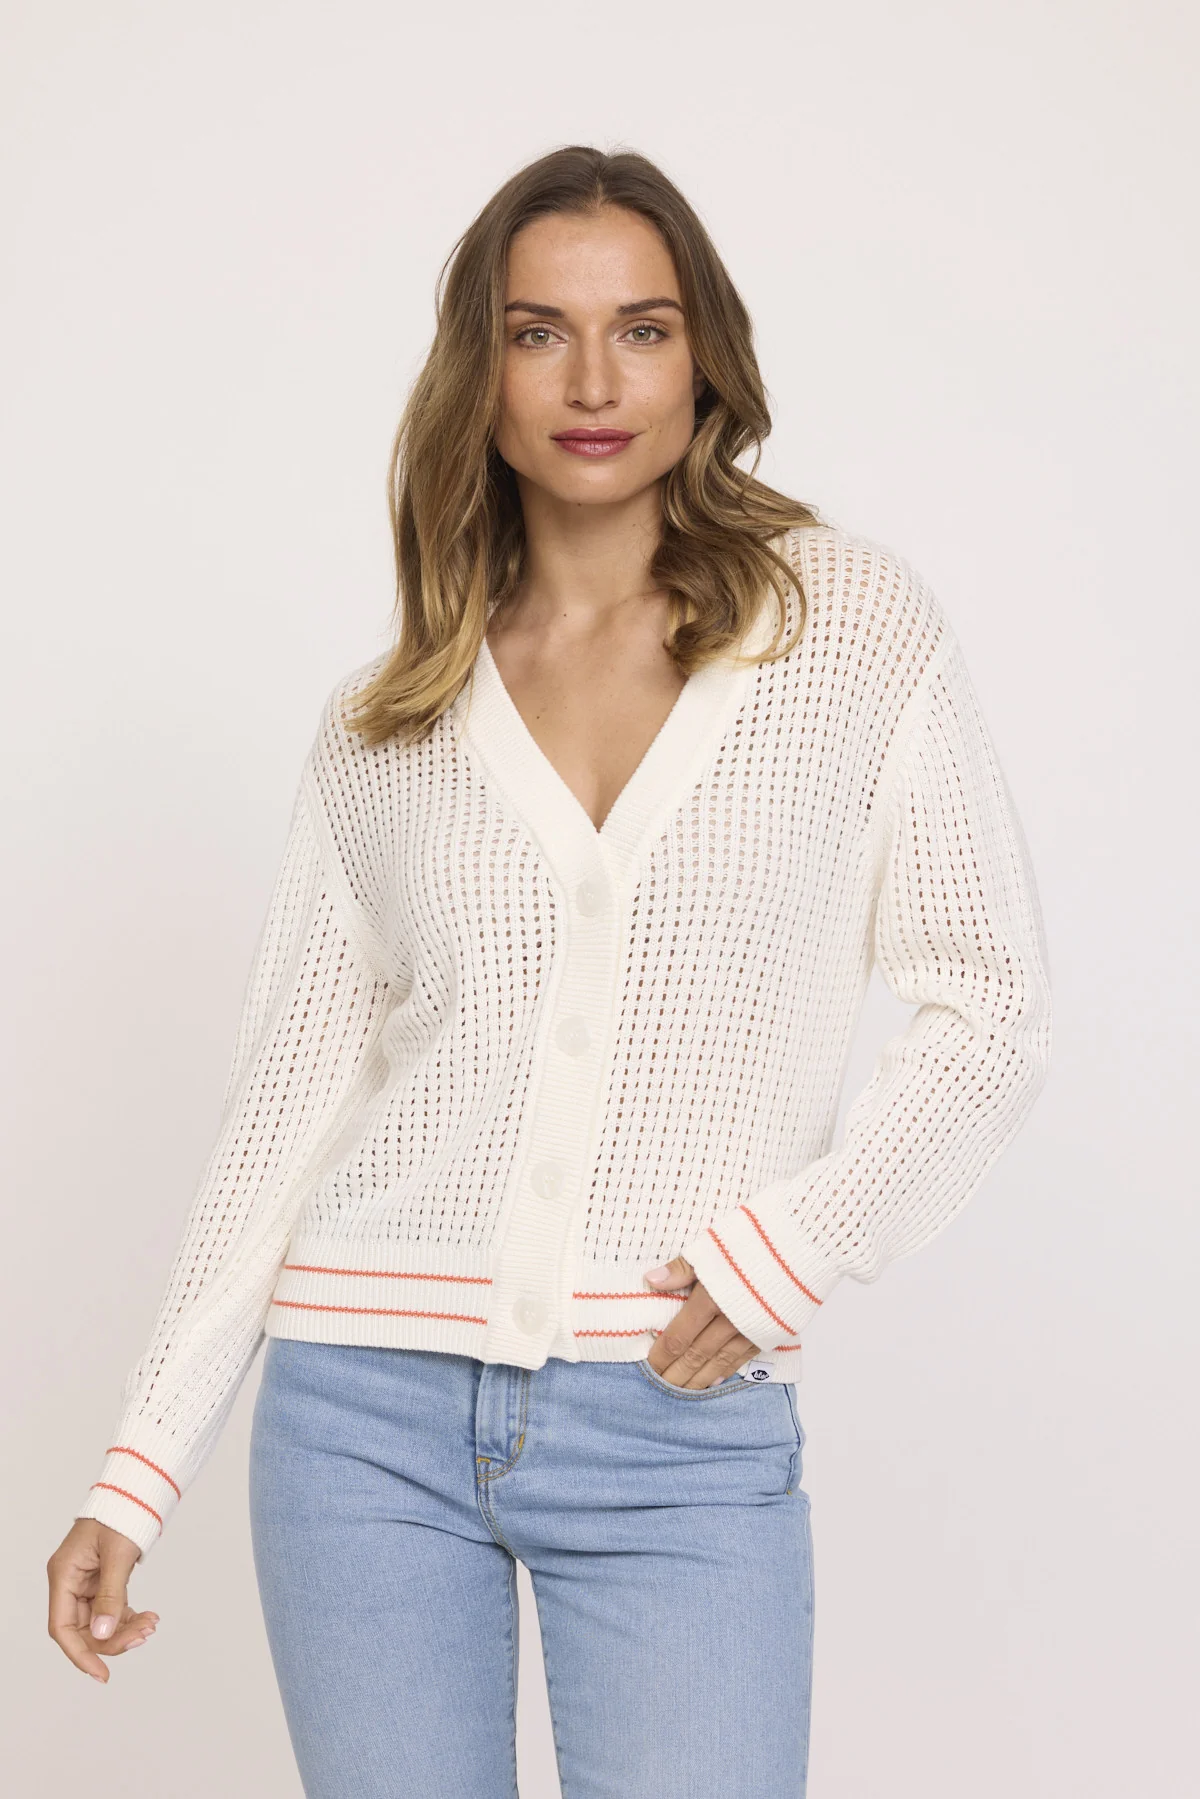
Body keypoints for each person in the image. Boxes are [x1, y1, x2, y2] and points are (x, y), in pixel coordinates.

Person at [47, 144, 1052, 1797]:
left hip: (677, 1418)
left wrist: (797, 1245)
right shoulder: (388, 719)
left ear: (705, 359)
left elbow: (991, 1005)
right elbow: (279, 1118)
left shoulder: (849, 633)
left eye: (642, 329)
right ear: (482, 371)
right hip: (359, 1423)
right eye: (540, 333)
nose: (595, 382)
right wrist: (139, 1464)